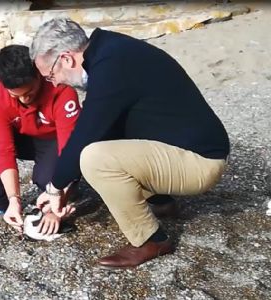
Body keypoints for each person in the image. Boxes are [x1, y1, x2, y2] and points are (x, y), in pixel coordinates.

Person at [29, 18, 230, 269]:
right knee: (106, 137)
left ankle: (151, 240)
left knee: (94, 158)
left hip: (201, 162)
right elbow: (103, 130)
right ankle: (162, 203)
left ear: (67, 59)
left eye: (50, 76)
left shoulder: (111, 67)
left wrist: (54, 189)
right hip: (191, 148)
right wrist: (64, 187)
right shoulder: (111, 50)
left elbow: (83, 138)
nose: (55, 83)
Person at [0, 45, 81, 235]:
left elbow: (71, 149)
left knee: (46, 181)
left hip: (53, 139)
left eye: (29, 93)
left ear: (38, 75)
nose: (24, 100)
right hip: (22, 137)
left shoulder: (61, 89)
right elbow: (3, 148)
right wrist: (14, 198)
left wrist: (57, 201)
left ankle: (54, 201)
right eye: (16, 95)